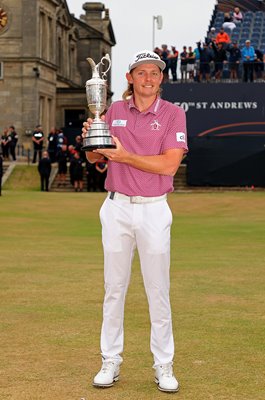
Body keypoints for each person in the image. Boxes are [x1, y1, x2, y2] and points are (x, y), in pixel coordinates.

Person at [82, 49, 188, 393]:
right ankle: (110, 360)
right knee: (114, 289)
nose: (148, 78)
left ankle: (163, 365)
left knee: (158, 290)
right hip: (116, 207)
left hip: (155, 208)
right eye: (141, 73)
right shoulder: (112, 111)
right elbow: (95, 156)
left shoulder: (173, 114)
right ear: (129, 78)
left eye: (154, 73)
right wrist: (93, 134)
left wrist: (126, 155)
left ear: (161, 79)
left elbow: (168, 165)